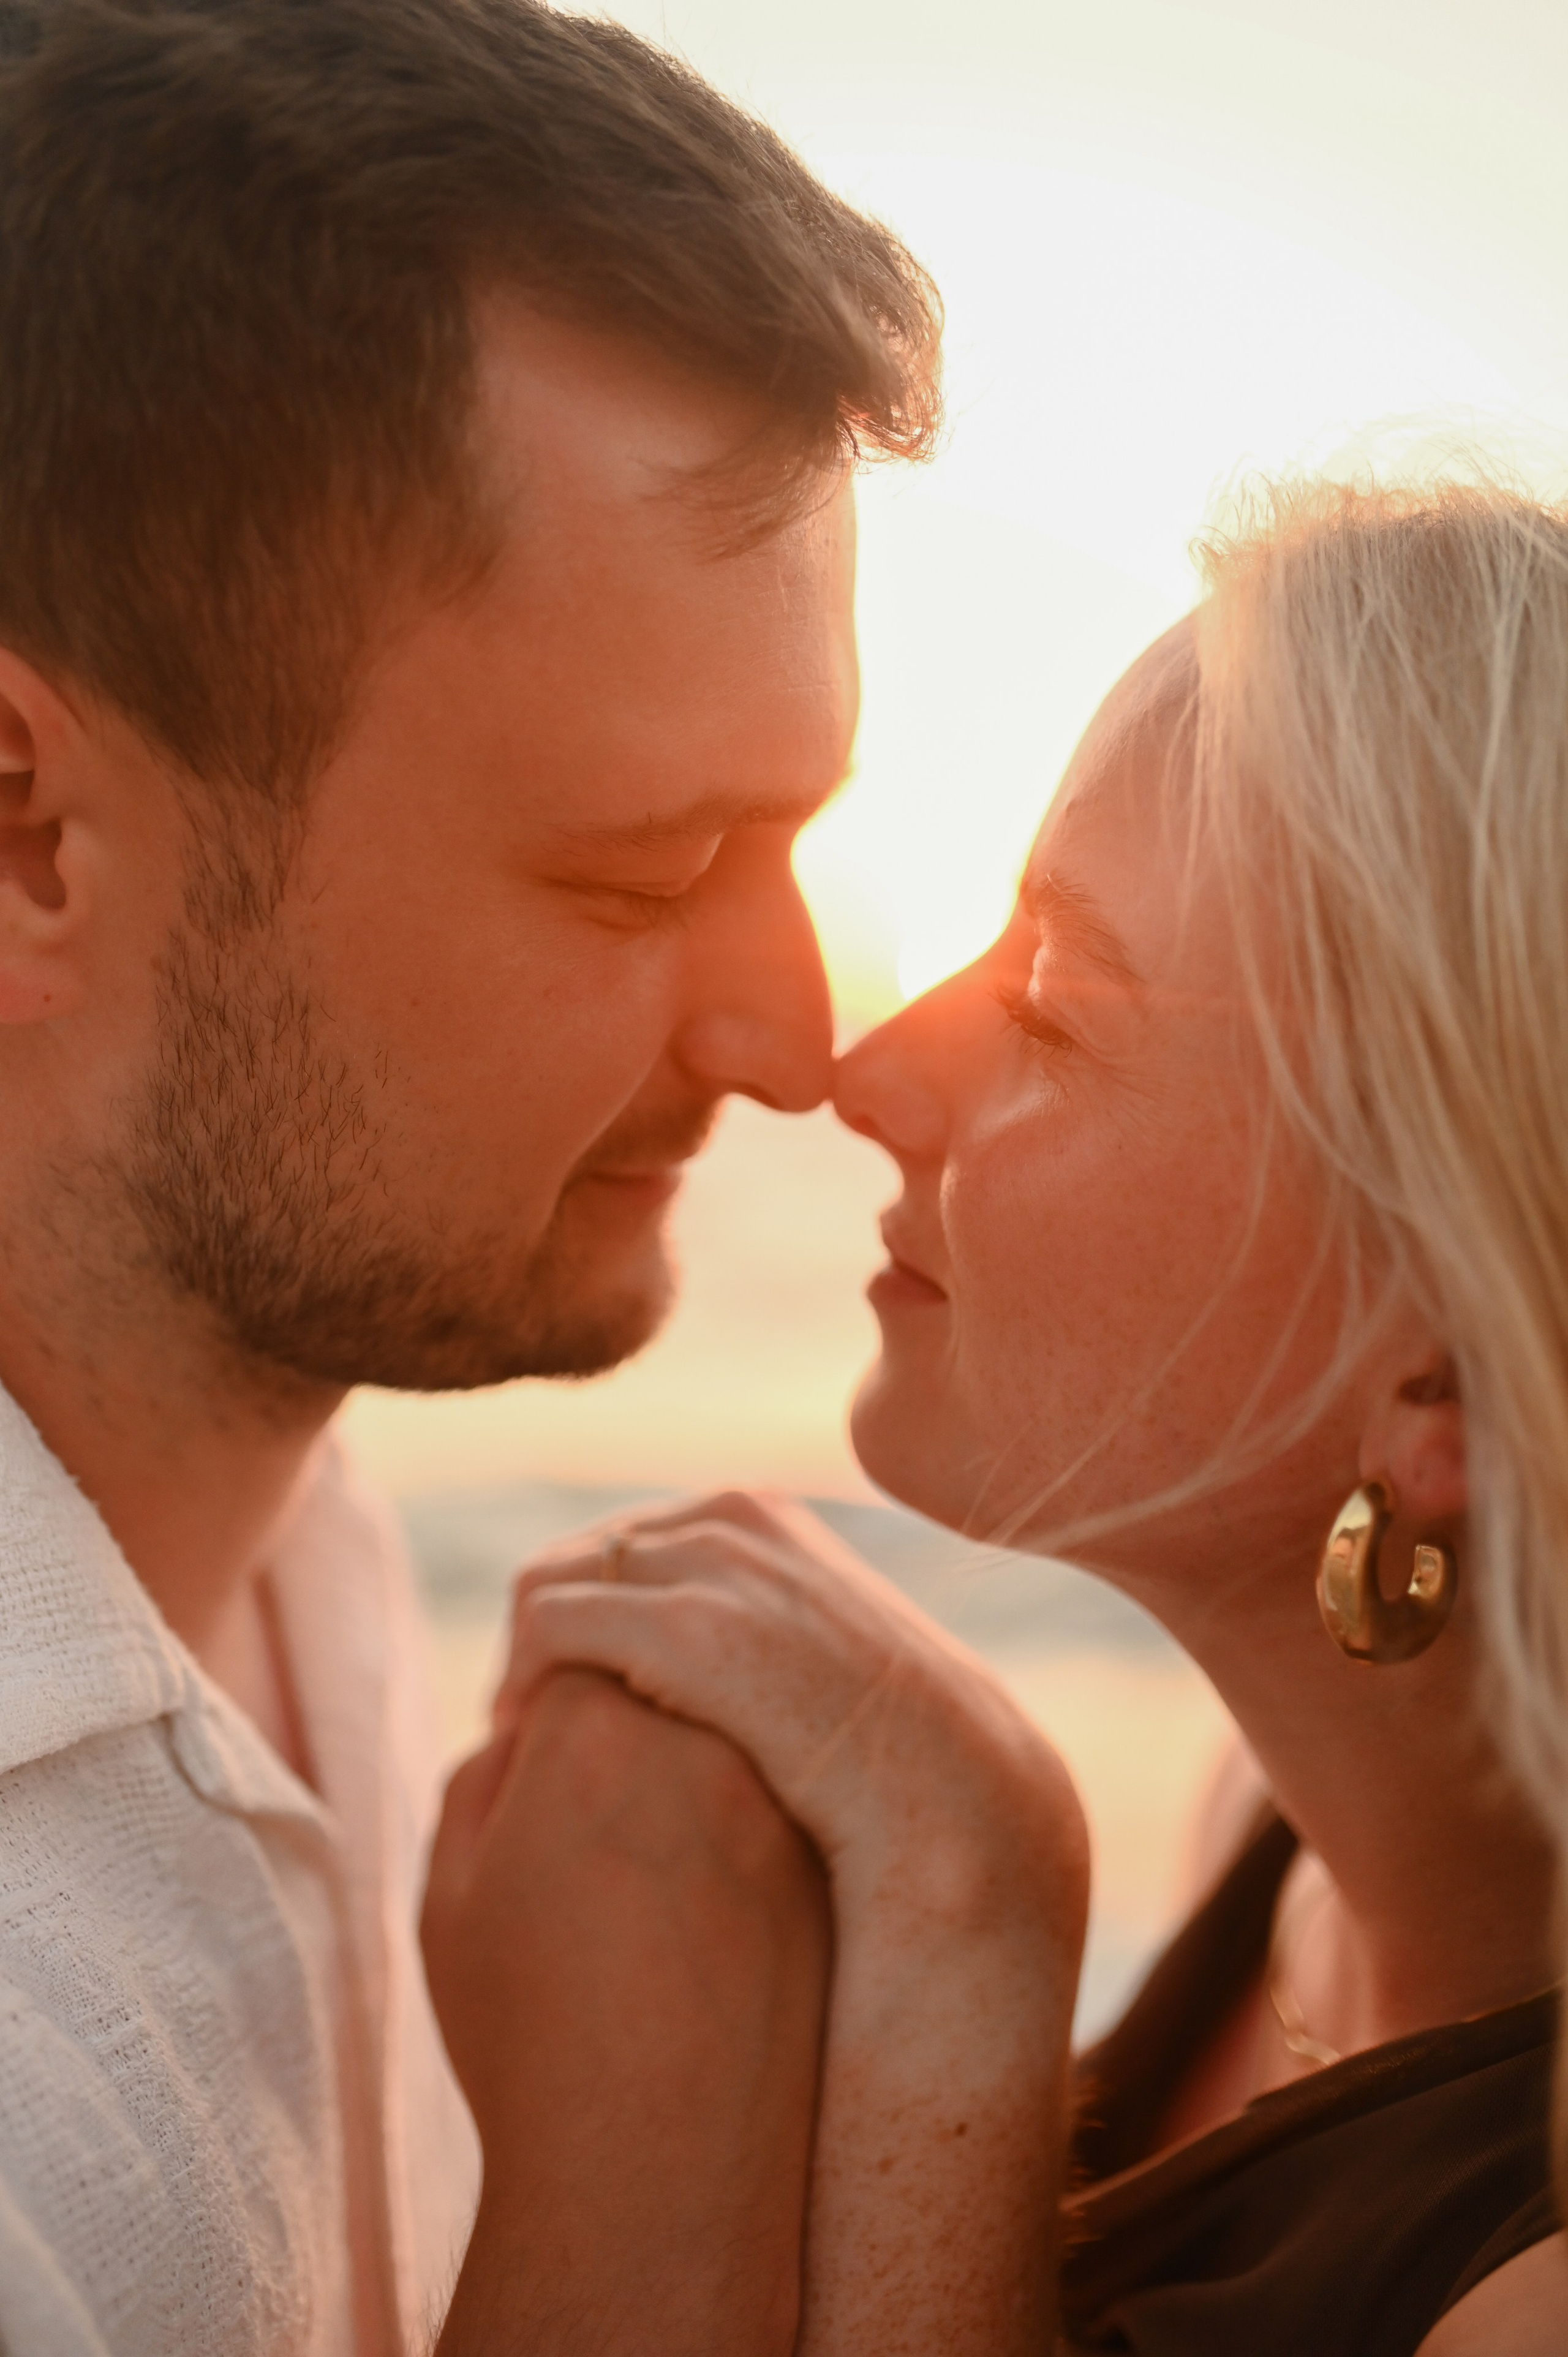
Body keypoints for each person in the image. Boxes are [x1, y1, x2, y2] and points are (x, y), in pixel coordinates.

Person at [0, 1, 949, 2349]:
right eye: (641, 881)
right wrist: (644, 2185)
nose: (792, 1036)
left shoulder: (307, 1557)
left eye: (793, 841)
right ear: (28, 832)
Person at [503, 477, 1568, 2354]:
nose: (872, 1070)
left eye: (1061, 1003)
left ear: (1445, 1381)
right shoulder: (1295, 1833)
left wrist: (964, 1932)